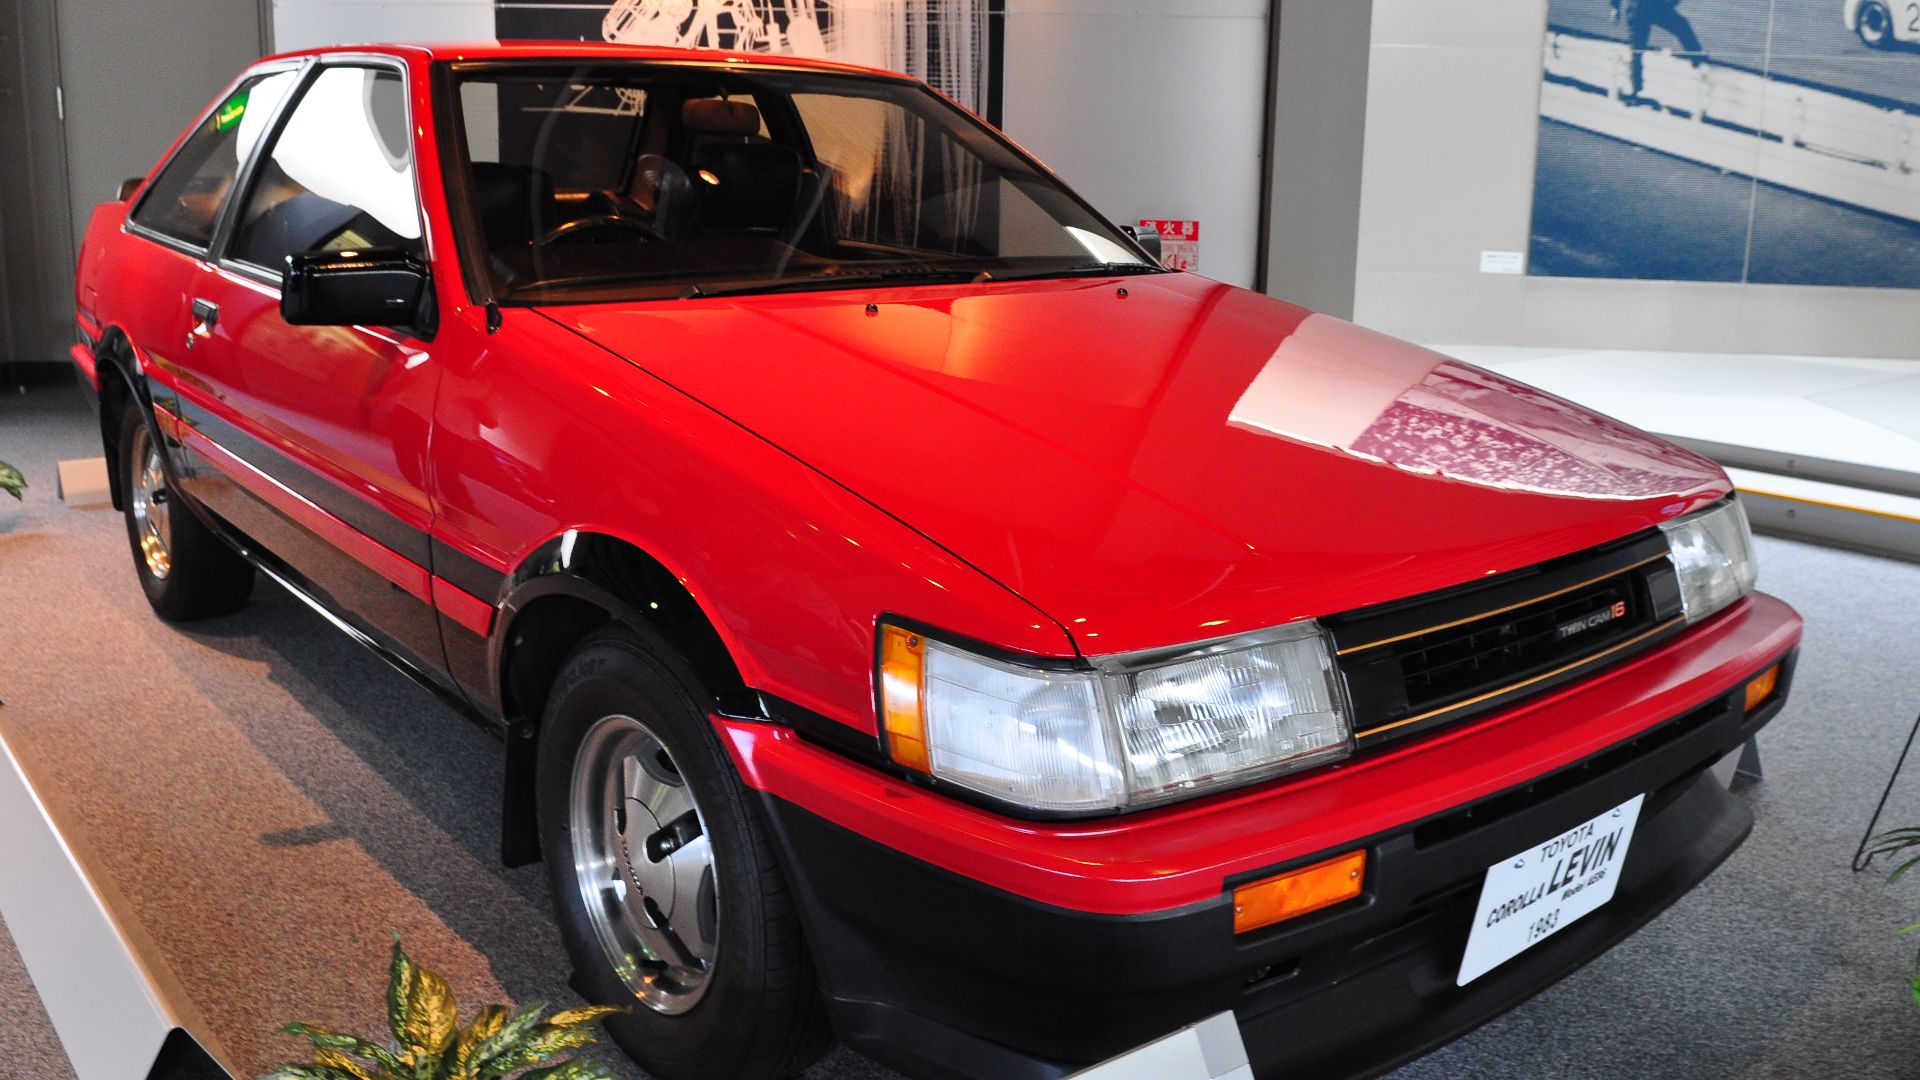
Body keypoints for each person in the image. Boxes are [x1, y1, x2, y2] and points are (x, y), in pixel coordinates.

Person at [1611, 0, 1704, 101]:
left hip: (1637, 9)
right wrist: (1670, 5)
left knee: (1636, 51)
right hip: (1654, 7)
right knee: (1682, 26)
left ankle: (1635, 89)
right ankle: (1698, 58)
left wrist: (1615, 7)